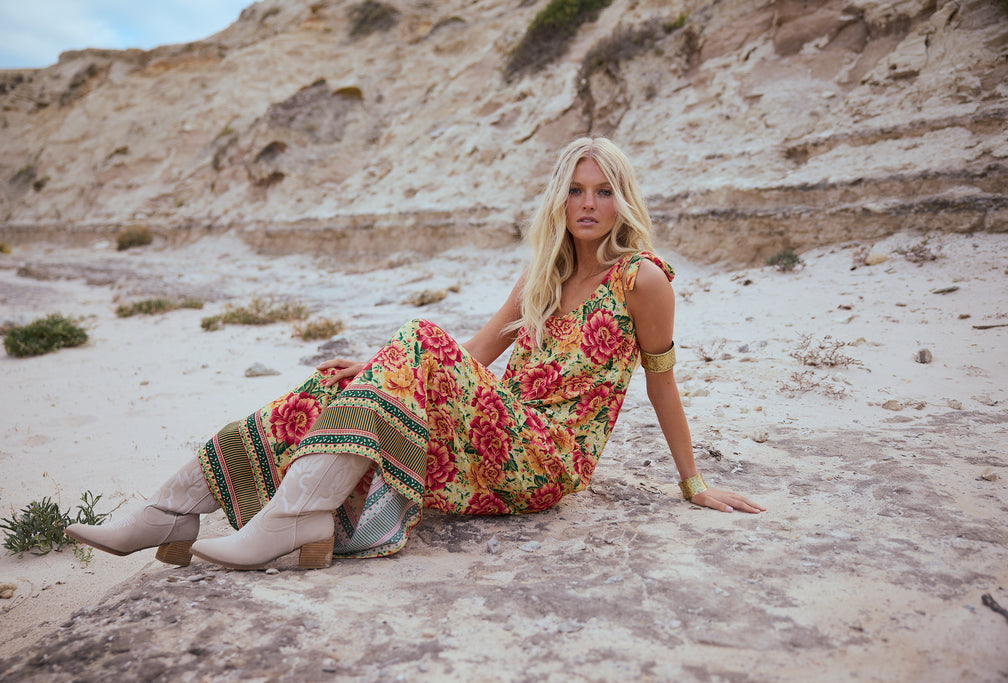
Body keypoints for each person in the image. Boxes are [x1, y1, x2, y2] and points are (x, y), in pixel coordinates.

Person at [66, 137, 764, 571]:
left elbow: (662, 382)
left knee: (419, 339)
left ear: (622, 200)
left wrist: (693, 482)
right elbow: (477, 353)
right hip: (498, 431)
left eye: (604, 191)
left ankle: (295, 516)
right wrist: (379, 375)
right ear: (558, 201)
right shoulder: (544, 276)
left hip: (548, 460)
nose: (589, 204)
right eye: (576, 190)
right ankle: (175, 506)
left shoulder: (642, 279)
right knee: (336, 386)